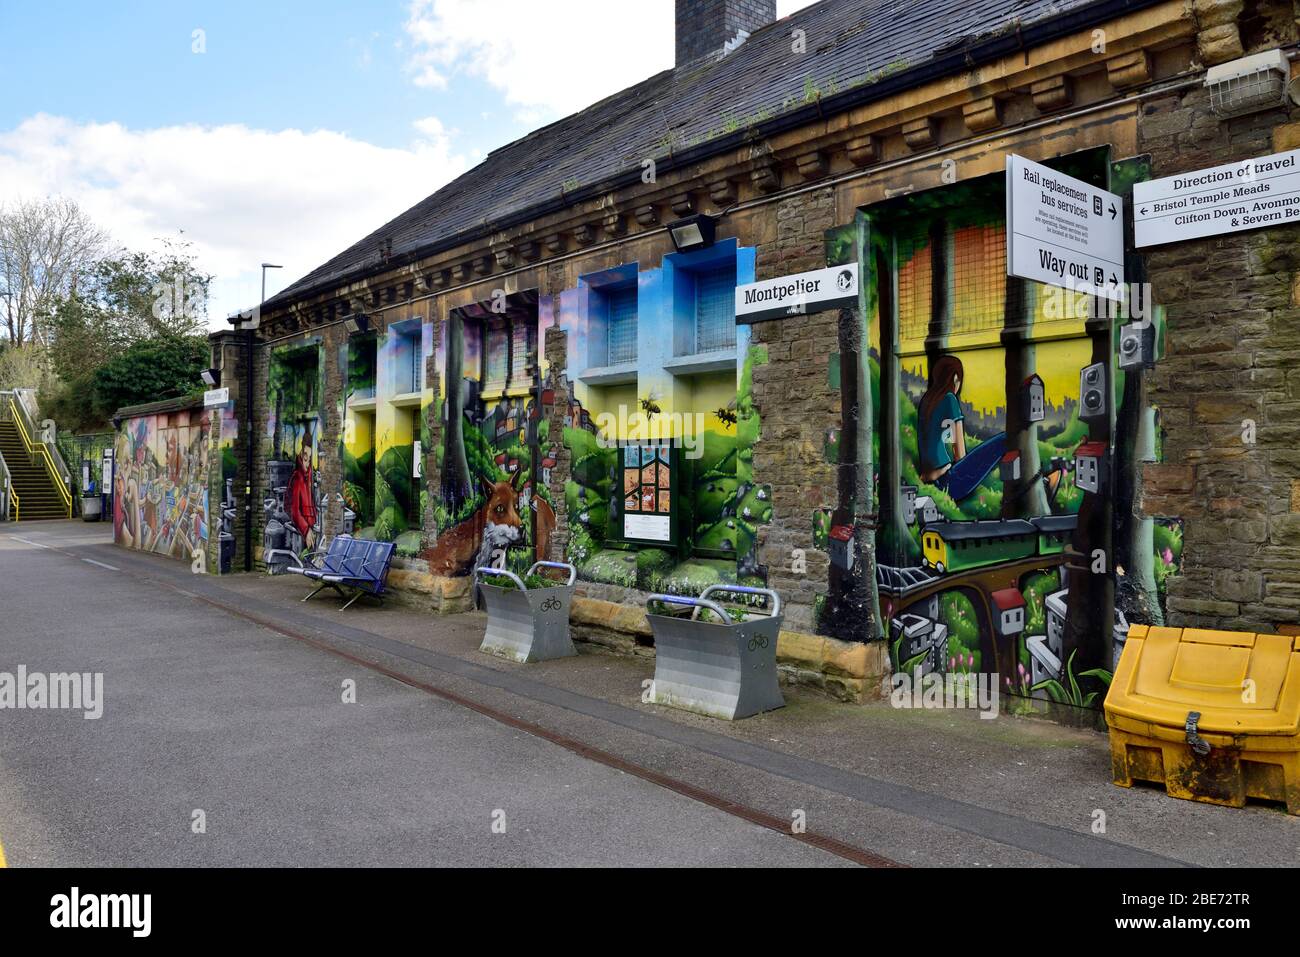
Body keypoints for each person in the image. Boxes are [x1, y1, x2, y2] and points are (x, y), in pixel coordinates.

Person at [917, 355, 967, 490]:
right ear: (956, 377)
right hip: (943, 475)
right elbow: (959, 452)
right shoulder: (950, 398)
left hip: (925, 476)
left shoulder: (926, 400)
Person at [286, 432, 318, 552]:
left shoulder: (309, 477)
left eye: (309, 459)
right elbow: (294, 511)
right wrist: (306, 530)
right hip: (304, 531)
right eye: (305, 458)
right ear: (300, 455)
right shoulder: (297, 478)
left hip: (312, 528)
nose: (307, 463)